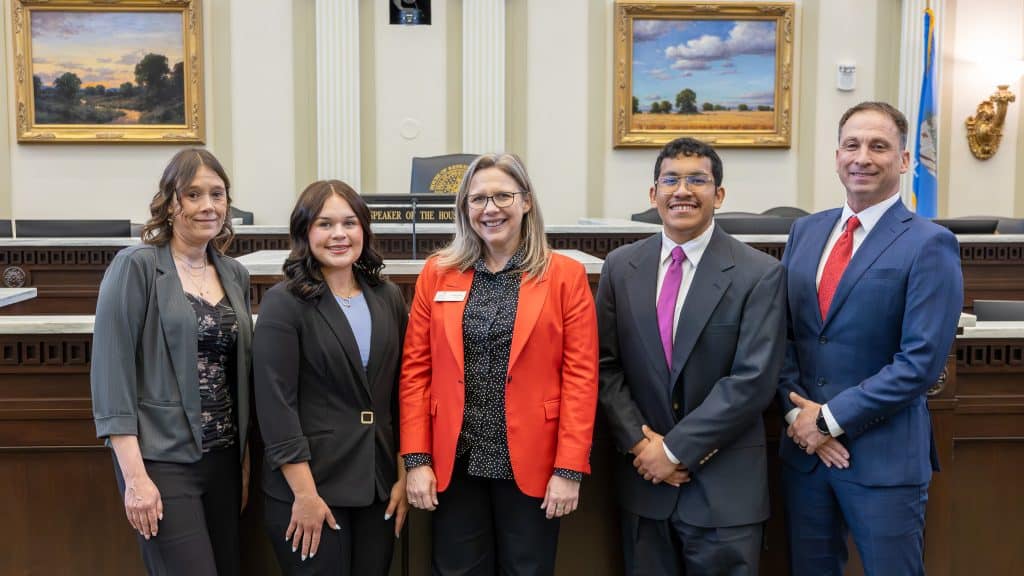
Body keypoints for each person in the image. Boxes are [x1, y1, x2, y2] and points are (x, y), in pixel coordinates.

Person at [778, 101, 963, 575]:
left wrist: (829, 421)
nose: (862, 157)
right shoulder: (805, 230)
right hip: (806, 458)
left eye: (878, 146)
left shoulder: (929, 243)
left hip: (883, 461)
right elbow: (782, 338)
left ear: (903, 160)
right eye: (852, 145)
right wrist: (803, 420)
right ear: (837, 155)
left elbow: (920, 363)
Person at [399, 153, 599, 575]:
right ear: (464, 209)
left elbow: (581, 378)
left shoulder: (565, 276)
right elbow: (415, 373)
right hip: (457, 458)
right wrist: (416, 459)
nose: (490, 209)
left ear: (526, 202)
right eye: (477, 199)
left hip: (534, 461)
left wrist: (569, 469)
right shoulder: (438, 273)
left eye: (502, 196)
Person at [597, 137, 787, 575]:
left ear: (718, 195)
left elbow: (752, 381)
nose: (683, 190)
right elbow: (606, 366)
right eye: (671, 180)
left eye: (697, 180)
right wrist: (642, 446)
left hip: (723, 492)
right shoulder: (621, 268)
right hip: (644, 485)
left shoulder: (760, 273)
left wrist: (676, 450)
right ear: (653, 195)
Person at [91, 148, 252, 576]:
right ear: (170, 202)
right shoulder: (136, 266)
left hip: (223, 457)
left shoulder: (234, 272)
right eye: (193, 194)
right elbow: (112, 377)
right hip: (161, 461)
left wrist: (245, 461)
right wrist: (136, 480)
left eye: (217, 195)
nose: (208, 206)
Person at [253, 180, 409, 575]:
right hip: (312, 487)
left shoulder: (387, 296)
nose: (339, 234)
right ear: (305, 233)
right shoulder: (284, 302)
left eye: (350, 223)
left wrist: (404, 475)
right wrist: (304, 495)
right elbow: (276, 407)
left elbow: (404, 392)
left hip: (378, 485)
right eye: (325, 224)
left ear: (364, 230)